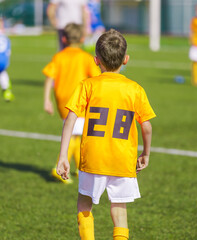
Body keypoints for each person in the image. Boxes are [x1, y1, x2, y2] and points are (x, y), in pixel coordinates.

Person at [56, 29, 156, 240]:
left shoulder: (87, 85)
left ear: (96, 60)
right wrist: (146, 153)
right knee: (119, 210)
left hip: (93, 158)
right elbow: (146, 126)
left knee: (84, 203)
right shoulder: (135, 89)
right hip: (122, 160)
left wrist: (63, 155)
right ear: (126, 60)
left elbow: (70, 120)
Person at [42, 23, 100, 184]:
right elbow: (97, 79)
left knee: (75, 134)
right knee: (75, 136)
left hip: (62, 101)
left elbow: (49, 77)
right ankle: (58, 168)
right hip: (79, 101)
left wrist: (47, 100)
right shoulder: (86, 58)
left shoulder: (58, 57)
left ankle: (80, 168)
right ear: (82, 39)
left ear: (64, 38)